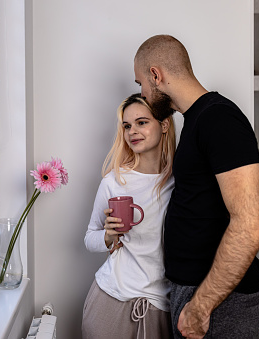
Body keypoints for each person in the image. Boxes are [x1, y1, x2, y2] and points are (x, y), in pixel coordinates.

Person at [133, 34, 259, 339]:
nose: (141, 93)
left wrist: (201, 306)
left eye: (140, 83)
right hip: (199, 293)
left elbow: (251, 225)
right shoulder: (195, 120)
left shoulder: (218, 118)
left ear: (156, 75)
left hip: (218, 301)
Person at [82, 93, 176, 339]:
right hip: (110, 302)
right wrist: (108, 236)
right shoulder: (114, 181)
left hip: (161, 308)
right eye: (127, 125)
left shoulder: (179, 182)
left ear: (164, 125)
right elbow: (89, 237)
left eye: (142, 122)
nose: (132, 131)